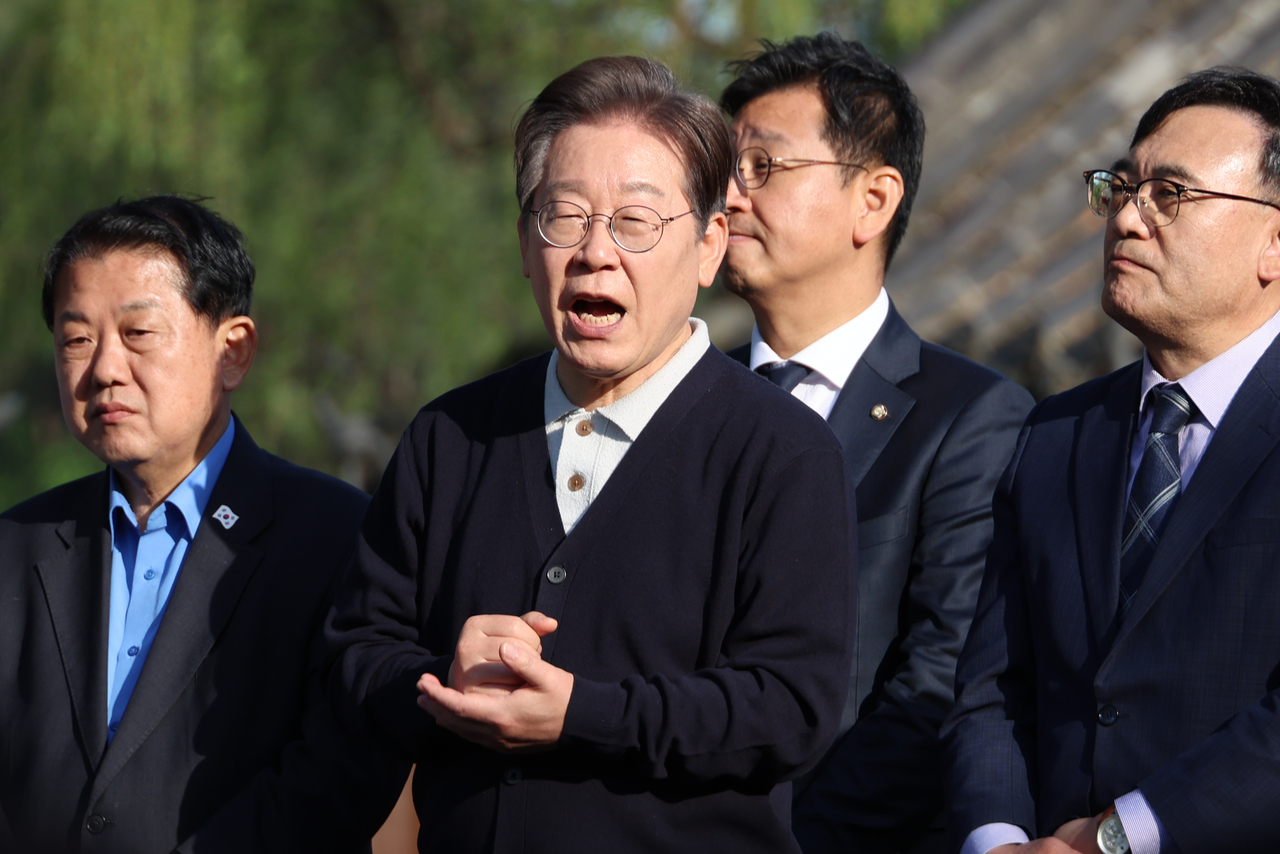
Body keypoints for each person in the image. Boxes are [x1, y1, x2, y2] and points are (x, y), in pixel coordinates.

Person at [325, 55, 855, 854]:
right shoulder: (451, 437)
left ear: (709, 246)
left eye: (636, 221)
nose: (594, 252)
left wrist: (581, 714)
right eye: (564, 217)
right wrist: (439, 678)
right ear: (524, 242)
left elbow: (790, 709)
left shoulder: (783, 452)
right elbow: (355, 659)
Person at [0, 195, 405, 853]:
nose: (104, 369)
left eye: (138, 333)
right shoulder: (15, 547)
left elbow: (341, 774)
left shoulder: (335, 535)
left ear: (232, 352)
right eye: (77, 340)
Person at [944, 67, 1280, 854]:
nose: (1127, 218)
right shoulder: (1057, 433)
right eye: (1122, 188)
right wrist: (998, 839)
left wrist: (1116, 837)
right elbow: (993, 690)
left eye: (1171, 194)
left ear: (1274, 241)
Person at [718, 34, 1034, 854]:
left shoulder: (970, 420)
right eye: (724, 167)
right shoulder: (683, 402)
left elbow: (939, 683)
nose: (729, 195)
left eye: (763, 166)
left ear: (874, 200)